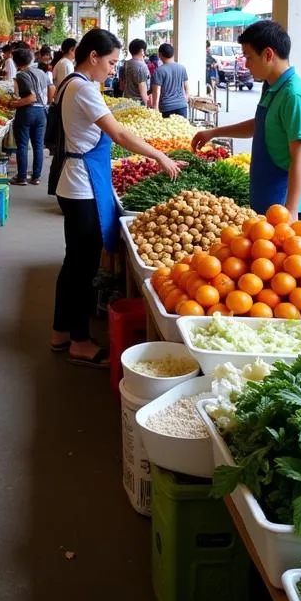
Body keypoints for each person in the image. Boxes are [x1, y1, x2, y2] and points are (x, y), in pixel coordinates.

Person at [51, 29, 183, 366]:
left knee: (72, 264)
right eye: (110, 62)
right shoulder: (83, 87)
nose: (113, 69)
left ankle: (61, 332)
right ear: (93, 57)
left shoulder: (72, 83)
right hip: (83, 189)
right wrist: (160, 156)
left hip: (75, 184)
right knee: (82, 268)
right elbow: (120, 133)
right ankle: (79, 340)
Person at [193, 20, 301, 218]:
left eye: (249, 57)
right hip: (264, 197)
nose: (246, 64)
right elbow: (260, 125)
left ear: (268, 54)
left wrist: (290, 214)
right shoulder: (272, 86)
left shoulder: (295, 95)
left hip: (282, 205)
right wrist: (214, 132)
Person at [7, 47, 50, 186]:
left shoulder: (21, 74)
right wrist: (47, 102)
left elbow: (31, 98)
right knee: (38, 145)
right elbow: (52, 88)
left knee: (23, 145)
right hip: (41, 112)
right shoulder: (41, 72)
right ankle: (36, 177)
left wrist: (15, 103)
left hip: (27, 112)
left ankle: (22, 177)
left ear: (15, 62)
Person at [149, 43, 189, 118]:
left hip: (166, 107)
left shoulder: (159, 71)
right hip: (181, 106)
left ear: (160, 55)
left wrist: (155, 107)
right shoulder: (182, 68)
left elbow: (157, 90)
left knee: (168, 129)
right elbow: (187, 86)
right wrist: (185, 98)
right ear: (173, 54)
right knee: (182, 129)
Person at [119, 39, 150, 105]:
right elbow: (143, 89)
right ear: (142, 50)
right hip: (137, 102)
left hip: (127, 99)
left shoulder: (127, 63)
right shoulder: (141, 67)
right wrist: (147, 105)